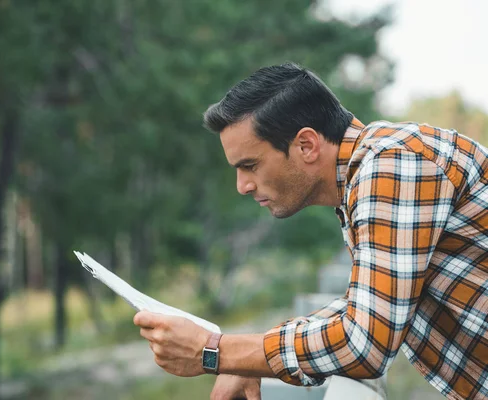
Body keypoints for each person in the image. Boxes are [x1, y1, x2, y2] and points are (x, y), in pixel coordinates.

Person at [133, 62, 488, 400]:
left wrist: (215, 351)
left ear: (306, 145)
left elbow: (364, 343)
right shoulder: (368, 173)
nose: (242, 185)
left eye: (250, 165)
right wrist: (248, 355)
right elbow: (367, 305)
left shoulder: (392, 165)